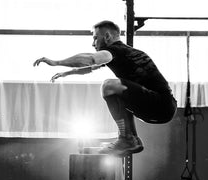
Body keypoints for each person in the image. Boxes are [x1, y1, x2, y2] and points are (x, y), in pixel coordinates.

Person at [33, 20, 177, 157]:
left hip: (160, 104)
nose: (93, 43)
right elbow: (90, 67)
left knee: (109, 86)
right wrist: (67, 73)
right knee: (118, 92)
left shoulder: (113, 51)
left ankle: (127, 138)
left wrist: (56, 62)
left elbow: (90, 59)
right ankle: (129, 139)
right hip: (162, 107)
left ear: (107, 36)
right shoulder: (123, 53)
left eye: (95, 38)